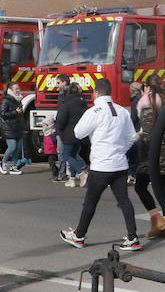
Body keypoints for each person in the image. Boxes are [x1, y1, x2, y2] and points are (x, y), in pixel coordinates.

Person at [59, 77, 140, 251]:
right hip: (120, 165)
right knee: (124, 201)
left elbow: (78, 132)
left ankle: (79, 236)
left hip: (101, 166)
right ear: (109, 92)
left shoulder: (95, 111)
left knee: (90, 202)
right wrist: (120, 150)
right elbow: (132, 137)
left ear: (96, 92)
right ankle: (133, 238)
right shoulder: (122, 111)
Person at [134, 75, 165, 240]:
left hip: (151, 154)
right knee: (163, 189)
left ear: (147, 87)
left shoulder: (144, 101)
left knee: (140, 186)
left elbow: (145, 131)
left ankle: (157, 221)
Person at [56, 81, 90, 187]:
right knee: (74, 156)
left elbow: (60, 120)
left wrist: (59, 132)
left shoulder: (66, 103)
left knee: (67, 156)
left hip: (68, 134)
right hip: (80, 134)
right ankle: (72, 179)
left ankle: (81, 173)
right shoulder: (83, 102)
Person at [0, 82, 27, 175]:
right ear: (11, 90)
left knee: (17, 149)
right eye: (16, 89)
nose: (18, 90)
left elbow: (20, 115)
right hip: (9, 128)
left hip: (18, 127)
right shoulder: (6, 100)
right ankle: (3, 163)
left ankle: (14, 167)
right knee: (12, 147)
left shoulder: (18, 99)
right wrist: (15, 112)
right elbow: (3, 114)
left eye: (18, 88)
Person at [42, 116, 63, 181]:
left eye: (44, 125)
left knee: (52, 164)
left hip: (52, 151)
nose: (43, 127)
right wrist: (42, 148)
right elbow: (44, 143)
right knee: (51, 163)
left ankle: (55, 174)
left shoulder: (52, 133)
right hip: (48, 151)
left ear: (49, 125)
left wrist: (53, 133)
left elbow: (55, 141)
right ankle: (56, 172)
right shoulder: (46, 133)